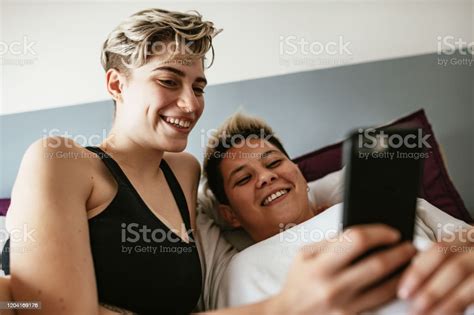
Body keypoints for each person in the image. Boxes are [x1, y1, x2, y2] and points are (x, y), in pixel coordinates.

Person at [0, 8, 414, 315]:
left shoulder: (185, 172)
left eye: (198, 86)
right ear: (116, 83)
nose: (190, 103)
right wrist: (285, 305)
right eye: (168, 80)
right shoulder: (61, 160)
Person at [202, 112, 474, 315]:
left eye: (273, 162)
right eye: (243, 179)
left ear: (301, 175)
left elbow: (467, 239)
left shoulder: (388, 204)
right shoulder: (238, 270)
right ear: (230, 216)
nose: (266, 177)